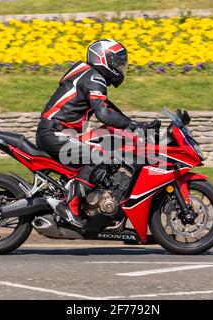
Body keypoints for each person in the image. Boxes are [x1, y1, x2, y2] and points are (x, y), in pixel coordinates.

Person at [36, 39, 147, 228]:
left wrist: (135, 123)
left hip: (58, 132)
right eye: (117, 63)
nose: (119, 68)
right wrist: (131, 125)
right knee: (98, 156)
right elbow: (103, 113)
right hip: (55, 133)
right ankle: (70, 206)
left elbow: (107, 107)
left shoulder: (88, 75)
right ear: (104, 59)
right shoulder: (94, 77)